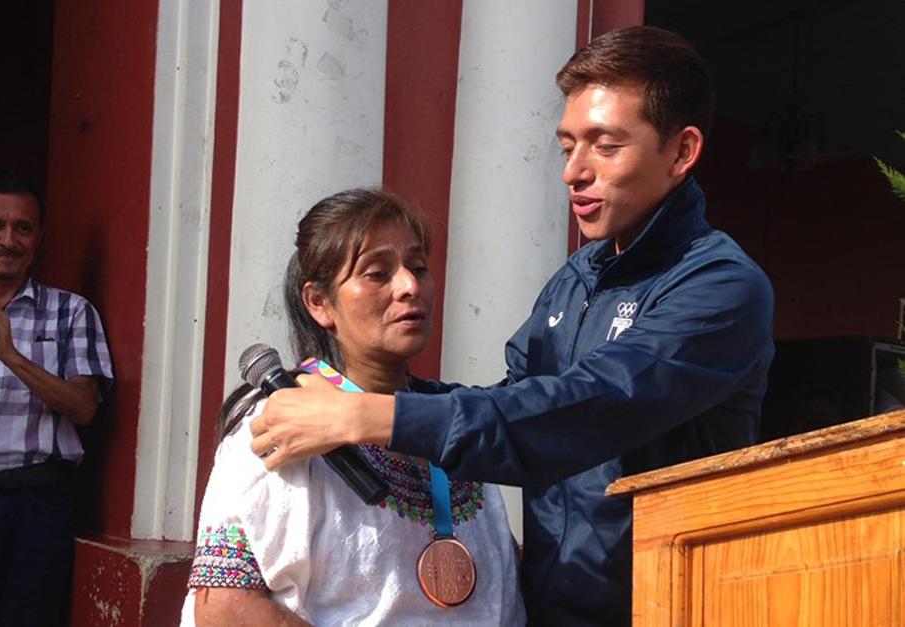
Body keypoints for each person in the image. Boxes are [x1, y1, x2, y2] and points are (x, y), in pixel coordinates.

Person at [248, 26, 775, 626]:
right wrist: (350, 393)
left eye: (605, 146)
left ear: (681, 152)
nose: (574, 172)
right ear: (318, 301)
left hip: (666, 606)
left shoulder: (721, 288)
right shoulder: (578, 277)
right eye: (567, 146)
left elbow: (586, 410)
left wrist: (371, 415)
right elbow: (512, 404)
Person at [181, 188, 525, 626]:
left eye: (418, 268)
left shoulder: (452, 423)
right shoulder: (279, 425)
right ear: (319, 303)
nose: (410, 286)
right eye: (378, 274)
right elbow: (225, 608)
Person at [0, 169, 114, 627]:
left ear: (39, 236)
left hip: (36, 505)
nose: (8, 240)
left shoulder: (72, 312)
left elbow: (85, 407)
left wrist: (10, 355)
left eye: (22, 228)